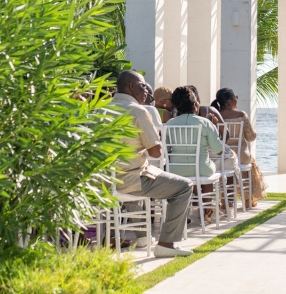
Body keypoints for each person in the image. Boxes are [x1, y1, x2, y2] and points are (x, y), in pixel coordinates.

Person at [105, 70, 194, 257]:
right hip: (131, 179)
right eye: (143, 86)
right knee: (185, 186)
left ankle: (142, 236)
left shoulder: (99, 110)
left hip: (103, 182)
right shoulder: (137, 111)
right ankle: (166, 244)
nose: (147, 91)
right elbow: (156, 151)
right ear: (131, 86)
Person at [165, 86, 225, 223]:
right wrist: (215, 128)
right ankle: (207, 206)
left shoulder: (169, 124)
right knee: (204, 169)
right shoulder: (205, 123)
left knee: (193, 171)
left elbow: (166, 150)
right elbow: (218, 150)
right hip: (201, 168)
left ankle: (183, 210)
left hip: (175, 170)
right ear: (195, 104)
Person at [212, 88, 268, 207]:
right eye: (235, 97)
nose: (237, 99)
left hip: (222, 155)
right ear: (230, 101)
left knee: (229, 164)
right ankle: (248, 199)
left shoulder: (215, 116)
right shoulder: (241, 115)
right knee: (250, 162)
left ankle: (225, 200)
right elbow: (251, 137)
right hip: (241, 155)